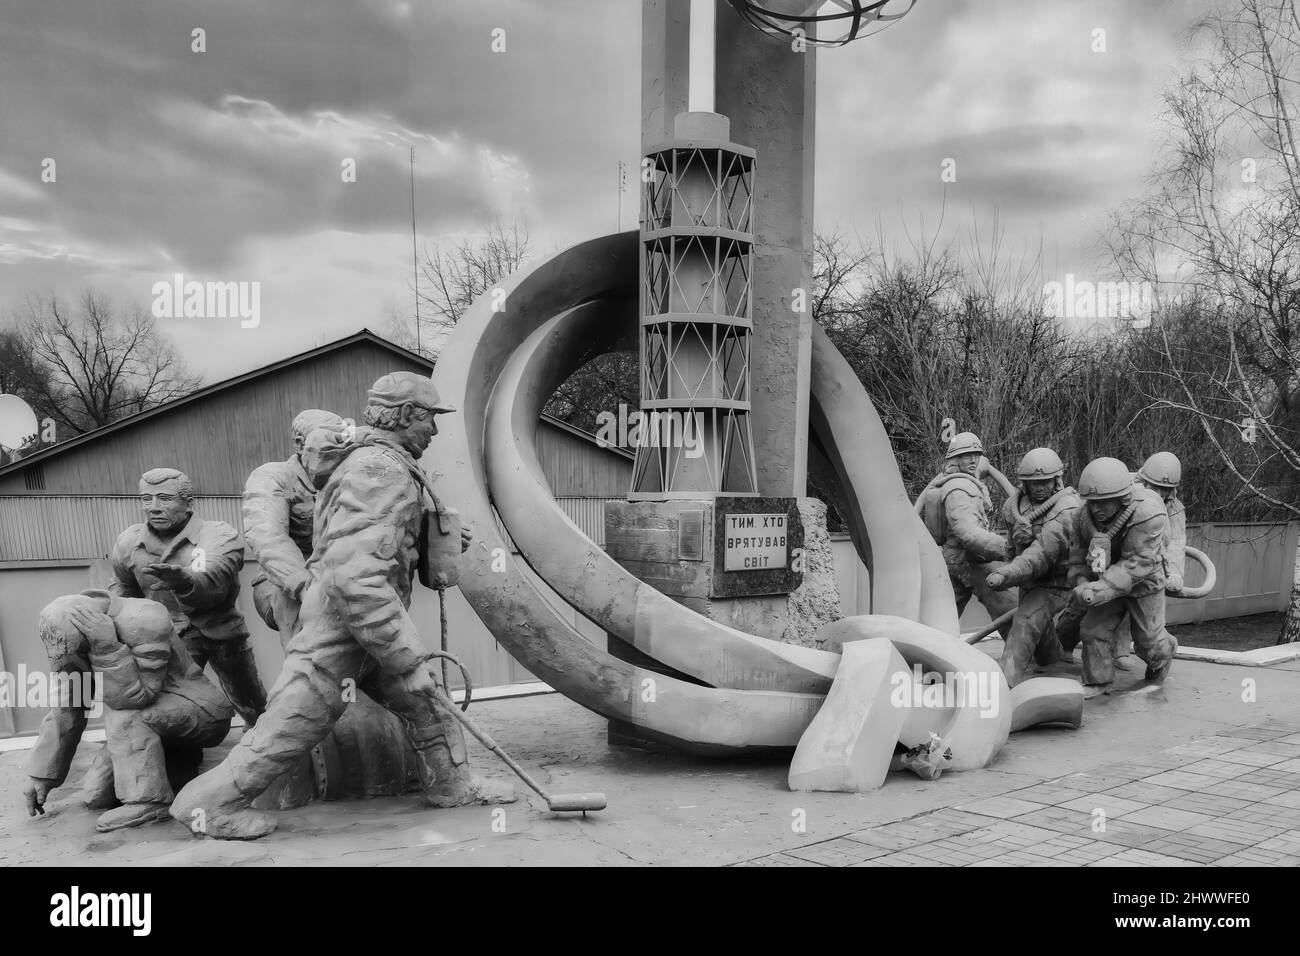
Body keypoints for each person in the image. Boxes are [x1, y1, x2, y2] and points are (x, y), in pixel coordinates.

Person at [171, 372, 515, 840]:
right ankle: (207, 804)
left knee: (426, 702)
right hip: (345, 626)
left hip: (367, 626)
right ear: (407, 415)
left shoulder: (380, 463)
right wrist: (404, 656)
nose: (434, 431)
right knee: (296, 718)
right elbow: (356, 574)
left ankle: (452, 785)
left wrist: (431, 536)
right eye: (429, 419)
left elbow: (377, 545)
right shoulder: (380, 471)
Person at [22, 590, 232, 832]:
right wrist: (42, 774)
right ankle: (179, 760)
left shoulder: (145, 617)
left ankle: (148, 801)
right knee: (96, 795)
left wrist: (106, 646)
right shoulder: (64, 634)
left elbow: (137, 697)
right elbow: (69, 704)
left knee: (123, 717)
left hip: (201, 711)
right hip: (150, 720)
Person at [110, 468, 266, 727]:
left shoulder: (217, 534)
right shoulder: (129, 542)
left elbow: (215, 573)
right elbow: (123, 590)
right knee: (173, 702)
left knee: (248, 698)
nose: (153, 507)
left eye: (164, 498)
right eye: (146, 499)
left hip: (221, 631)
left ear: (188, 502)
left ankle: (264, 735)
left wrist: (186, 581)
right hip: (169, 636)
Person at [1061, 456, 1178, 697]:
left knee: (1149, 642)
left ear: (1121, 498)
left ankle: (1164, 655)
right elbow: (1077, 558)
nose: (1096, 509)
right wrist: (1083, 584)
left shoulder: (1147, 511)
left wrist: (1100, 590)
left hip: (1144, 584)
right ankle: (1098, 680)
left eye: (1103, 503)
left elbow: (1137, 563)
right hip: (1103, 584)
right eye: (1092, 502)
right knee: (1092, 631)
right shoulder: (1081, 517)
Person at [243, 409, 345, 640]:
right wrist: (305, 588)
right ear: (300, 444)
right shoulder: (274, 477)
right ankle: (303, 660)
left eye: (341, 442)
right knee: (304, 610)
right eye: (328, 441)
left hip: (334, 574)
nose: (338, 450)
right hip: (282, 582)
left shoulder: (346, 477)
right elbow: (268, 538)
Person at [985, 448, 1082, 687]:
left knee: (1026, 620)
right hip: (1028, 580)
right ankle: (1052, 657)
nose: (1039, 488)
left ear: (1056, 480)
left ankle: (1003, 684)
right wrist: (1013, 550)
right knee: (1041, 644)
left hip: (1056, 582)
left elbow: (1042, 554)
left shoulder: (1066, 508)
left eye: (1045, 482)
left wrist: (1007, 574)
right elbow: (1010, 546)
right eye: (1034, 483)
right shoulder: (1014, 506)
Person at [917, 431, 1017, 621]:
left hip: (958, 559)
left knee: (944, 619)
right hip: (967, 561)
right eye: (966, 456)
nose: (973, 460)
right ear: (955, 459)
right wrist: (1006, 548)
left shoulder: (963, 481)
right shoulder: (958, 489)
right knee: (1009, 611)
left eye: (976, 455)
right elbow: (968, 533)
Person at [1136, 452, 1187, 593]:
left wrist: (1174, 574)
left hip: (1149, 575)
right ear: (1143, 481)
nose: (1158, 493)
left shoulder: (1175, 509)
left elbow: (1176, 543)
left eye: (1164, 488)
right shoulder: (1124, 492)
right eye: (1154, 486)